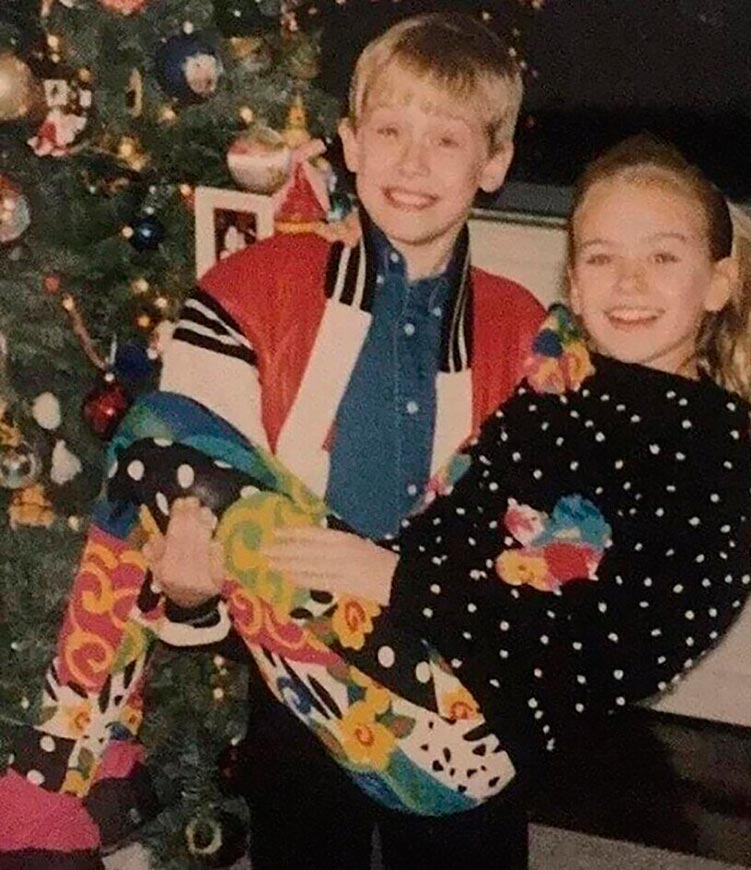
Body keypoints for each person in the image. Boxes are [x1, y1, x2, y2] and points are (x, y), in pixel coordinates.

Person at [142, 134, 751, 859]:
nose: (629, 282)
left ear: (720, 282)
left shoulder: (704, 460)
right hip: (396, 658)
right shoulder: (562, 383)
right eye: (601, 257)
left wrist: (395, 582)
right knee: (172, 451)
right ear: (574, 276)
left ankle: (66, 744)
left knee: (163, 449)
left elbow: (618, 648)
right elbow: (459, 511)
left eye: (662, 257)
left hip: (472, 739)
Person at [0, 12, 543, 870]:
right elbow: (187, 517)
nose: (411, 161)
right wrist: (188, 589)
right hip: (295, 685)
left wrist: (402, 580)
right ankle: (69, 757)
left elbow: (543, 544)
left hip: (460, 701)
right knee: (159, 434)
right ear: (349, 145)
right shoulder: (247, 290)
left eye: (447, 139)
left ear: (496, 163)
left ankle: (61, 763)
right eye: (390, 131)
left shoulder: (526, 332)